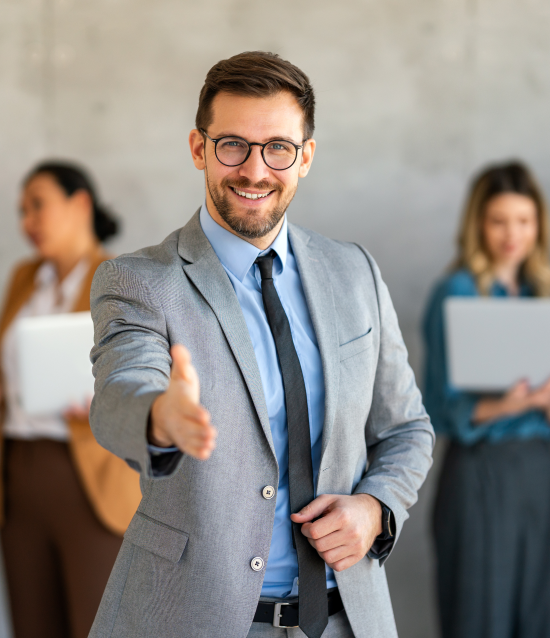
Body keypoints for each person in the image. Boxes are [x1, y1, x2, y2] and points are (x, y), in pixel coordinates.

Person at [89, 51, 434, 638]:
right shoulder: (139, 282)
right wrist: (159, 417)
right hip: (190, 619)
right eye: (232, 145)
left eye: (277, 147)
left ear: (305, 158)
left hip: (346, 619)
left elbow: (406, 429)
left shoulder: (354, 272)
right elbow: (121, 391)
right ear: (199, 149)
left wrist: (376, 508)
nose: (254, 170)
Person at [0, 162, 142, 638]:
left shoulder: (119, 277)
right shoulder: (23, 278)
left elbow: (144, 375)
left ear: (80, 203)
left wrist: (108, 397)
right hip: (19, 472)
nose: (27, 222)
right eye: (21, 211)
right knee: (32, 622)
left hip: (90, 475)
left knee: (94, 622)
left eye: (37, 205)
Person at [423, 161, 550, 638]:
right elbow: (439, 405)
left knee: (539, 614)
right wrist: (516, 402)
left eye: (524, 220)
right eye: (499, 220)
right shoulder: (455, 292)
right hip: (481, 477)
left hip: (540, 473)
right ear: (478, 223)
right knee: (481, 615)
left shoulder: (543, 293)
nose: (512, 234)